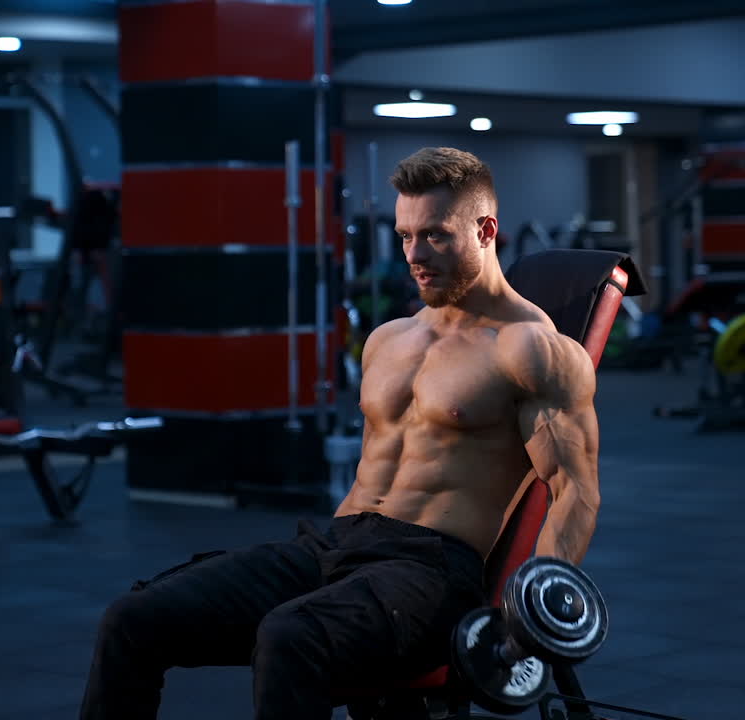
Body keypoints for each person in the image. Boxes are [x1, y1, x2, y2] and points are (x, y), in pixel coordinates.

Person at [79, 147, 602, 720]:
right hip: (334, 544)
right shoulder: (388, 339)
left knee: (289, 638)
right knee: (133, 620)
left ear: (486, 230)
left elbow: (575, 491)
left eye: (434, 236)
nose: (414, 255)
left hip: (428, 571)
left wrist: (528, 617)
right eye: (404, 236)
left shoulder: (530, 347)